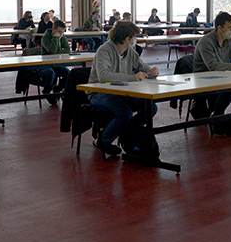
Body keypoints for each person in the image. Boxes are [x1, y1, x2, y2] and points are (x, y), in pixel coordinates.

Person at [87, 21, 158, 156]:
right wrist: (133, 77)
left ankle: (127, 130)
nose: (135, 40)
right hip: (99, 93)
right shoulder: (104, 50)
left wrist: (152, 72)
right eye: (134, 37)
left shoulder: (130, 52)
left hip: (122, 92)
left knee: (151, 108)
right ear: (127, 39)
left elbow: (143, 68)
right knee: (124, 112)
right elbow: (103, 76)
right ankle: (103, 140)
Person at [17, 20, 70, 104]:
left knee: (68, 72)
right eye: (59, 32)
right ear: (53, 29)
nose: (60, 34)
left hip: (55, 63)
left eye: (62, 32)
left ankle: (58, 89)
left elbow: (67, 50)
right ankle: (46, 91)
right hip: (44, 64)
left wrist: (57, 50)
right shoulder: (46, 38)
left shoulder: (62, 37)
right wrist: (56, 38)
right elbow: (52, 51)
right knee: (51, 73)